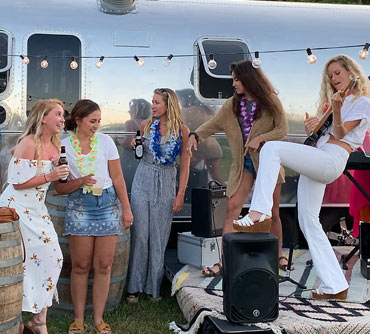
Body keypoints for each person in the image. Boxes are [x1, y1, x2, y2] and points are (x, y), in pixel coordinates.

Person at [234, 54, 370, 300]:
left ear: (352, 73)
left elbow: (340, 133)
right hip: (319, 156)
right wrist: (314, 128)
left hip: (332, 159)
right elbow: (325, 136)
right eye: (330, 75)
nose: (333, 78)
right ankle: (335, 285)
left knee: (271, 148)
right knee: (308, 221)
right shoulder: (335, 104)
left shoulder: (361, 102)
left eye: (338, 73)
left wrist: (336, 112)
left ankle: (260, 210)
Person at [187, 59, 289, 277]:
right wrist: (196, 135)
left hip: (268, 165)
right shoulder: (232, 105)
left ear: (248, 79)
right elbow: (213, 124)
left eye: (236, 80)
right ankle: (225, 261)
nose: (233, 84)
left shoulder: (271, 101)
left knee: (273, 212)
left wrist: (261, 138)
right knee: (232, 209)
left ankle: (279, 254)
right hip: (244, 165)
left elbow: (282, 130)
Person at [53, 99, 133, 334]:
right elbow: (59, 187)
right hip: (80, 204)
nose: (97, 125)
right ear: (78, 120)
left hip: (107, 204)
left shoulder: (106, 142)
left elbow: (118, 178)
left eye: (99, 121)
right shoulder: (64, 146)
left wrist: (126, 209)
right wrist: (79, 181)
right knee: (80, 265)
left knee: (104, 265)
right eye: (92, 121)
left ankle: (98, 320)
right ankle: (78, 319)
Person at [0, 99, 69, 334]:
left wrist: (59, 172)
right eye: (58, 115)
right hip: (15, 210)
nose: (62, 119)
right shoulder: (28, 143)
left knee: (53, 258)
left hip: (37, 210)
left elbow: (56, 181)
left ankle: (39, 319)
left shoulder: (56, 144)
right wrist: (50, 177)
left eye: (63, 115)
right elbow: (17, 183)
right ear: (43, 118)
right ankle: (17, 320)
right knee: (18, 264)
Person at [126, 88, 190, 302]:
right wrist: (135, 145)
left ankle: (153, 288)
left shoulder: (182, 130)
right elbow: (139, 154)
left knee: (159, 235)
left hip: (166, 181)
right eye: (152, 101)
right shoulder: (146, 125)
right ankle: (134, 287)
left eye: (157, 102)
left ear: (168, 105)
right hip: (143, 178)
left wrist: (180, 194)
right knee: (141, 234)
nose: (152, 105)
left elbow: (185, 166)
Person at [176, 88, 224, 185]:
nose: (179, 102)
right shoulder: (205, 110)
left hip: (197, 147)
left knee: (184, 173)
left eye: (179, 99)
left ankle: (186, 195)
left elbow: (184, 129)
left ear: (184, 99)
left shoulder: (185, 112)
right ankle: (226, 196)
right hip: (212, 147)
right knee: (216, 176)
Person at [118, 98, 151, 196]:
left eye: (131, 108)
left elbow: (127, 142)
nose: (129, 111)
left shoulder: (131, 123)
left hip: (129, 158)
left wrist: (117, 140)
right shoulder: (149, 123)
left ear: (137, 110)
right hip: (143, 158)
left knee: (126, 181)